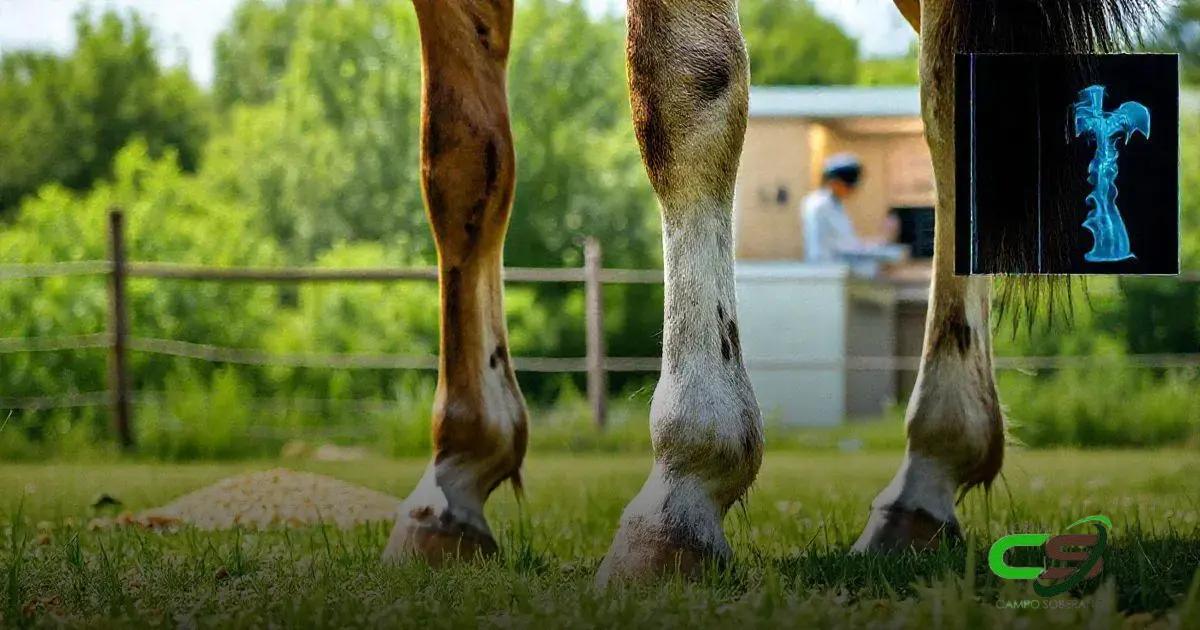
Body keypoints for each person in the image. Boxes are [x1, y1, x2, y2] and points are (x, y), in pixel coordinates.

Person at [801, 153, 871, 263]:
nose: (851, 192)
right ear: (835, 182)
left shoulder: (835, 204)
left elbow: (846, 240)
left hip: (839, 266)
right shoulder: (819, 205)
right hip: (826, 267)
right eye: (849, 187)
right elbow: (826, 246)